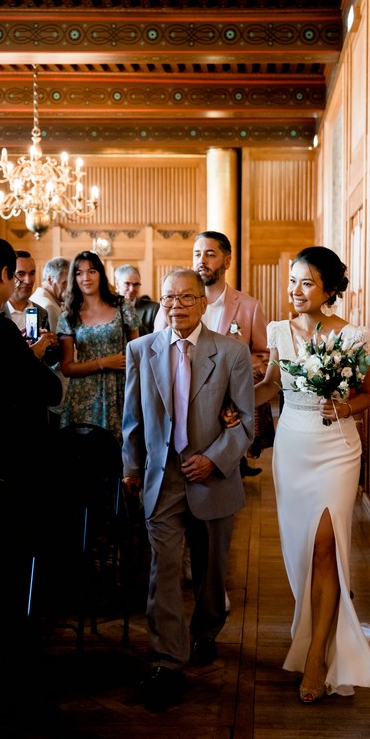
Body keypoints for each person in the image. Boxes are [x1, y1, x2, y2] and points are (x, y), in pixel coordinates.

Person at [254, 246, 370, 704]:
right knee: (303, 551)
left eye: (306, 283)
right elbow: (271, 385)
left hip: (337, 450)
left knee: (327, 546)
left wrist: (344, 405)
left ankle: (318, 655)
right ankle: (317, 631)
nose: (296, 291)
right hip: (292, 449)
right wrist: (235, 402)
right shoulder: (278, 330)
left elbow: (366, 397)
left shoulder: (353, 336)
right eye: (292, 282)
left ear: (328, 289)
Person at [122, 268, 254, 711]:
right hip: (163, 477)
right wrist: (131, 467)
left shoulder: (231, 352)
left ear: (201, 302)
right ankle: (167, 659)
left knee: (211, 570)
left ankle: (205, 631)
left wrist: (213, 458)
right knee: (164, 567)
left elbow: (246, 423)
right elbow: (132, 420)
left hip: (211, 475)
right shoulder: (141, 350)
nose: (175, 306)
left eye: (185, 298)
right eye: (168, 299)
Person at [0, 235, 62, 719]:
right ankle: (13, 680)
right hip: (4, 471)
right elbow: (47, 391)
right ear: (1, 276)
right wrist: (35, 362)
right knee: (8, 577)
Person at [154, 230, 274, 477]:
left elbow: (263, 359)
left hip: (224, 415)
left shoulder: (249, 307)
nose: (202, 261)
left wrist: (236, 399)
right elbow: (158, 347)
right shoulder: (172, 304)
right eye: (197, 254)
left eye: (210, 254)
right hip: (178, 406)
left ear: (227, 261)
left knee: (218, 482)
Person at [57, 250, 141, 443]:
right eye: (79, 273)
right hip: (84, 396)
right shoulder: (69, 315)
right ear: (74, 278)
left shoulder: (122, 307)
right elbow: (67, 367)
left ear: (101, 274)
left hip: (121, 390)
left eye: (92, 271)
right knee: (85, 457)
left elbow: (138, 353)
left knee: (122, 454)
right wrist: (103, 362)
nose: (86, 277)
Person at [31, 255, 70, 425]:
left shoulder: (41, 301)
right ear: (49, 279)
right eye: (64, 283)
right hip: (54, 386)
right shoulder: (48, 306)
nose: (68, 289)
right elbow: (57, 354)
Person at [2, 249, 59, 362]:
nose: (28, 281)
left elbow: (50, 361)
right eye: (21, 274)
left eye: (32, 273)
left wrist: (52, 346)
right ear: (8, 275)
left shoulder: (41, 312)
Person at [114, 263, 160, 336]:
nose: (132, 289)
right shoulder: (108, 308)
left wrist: (130, 310)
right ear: (117, 284)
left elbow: (155, 338)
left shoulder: (153, 309)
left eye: (136, 284)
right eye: (127, 284)